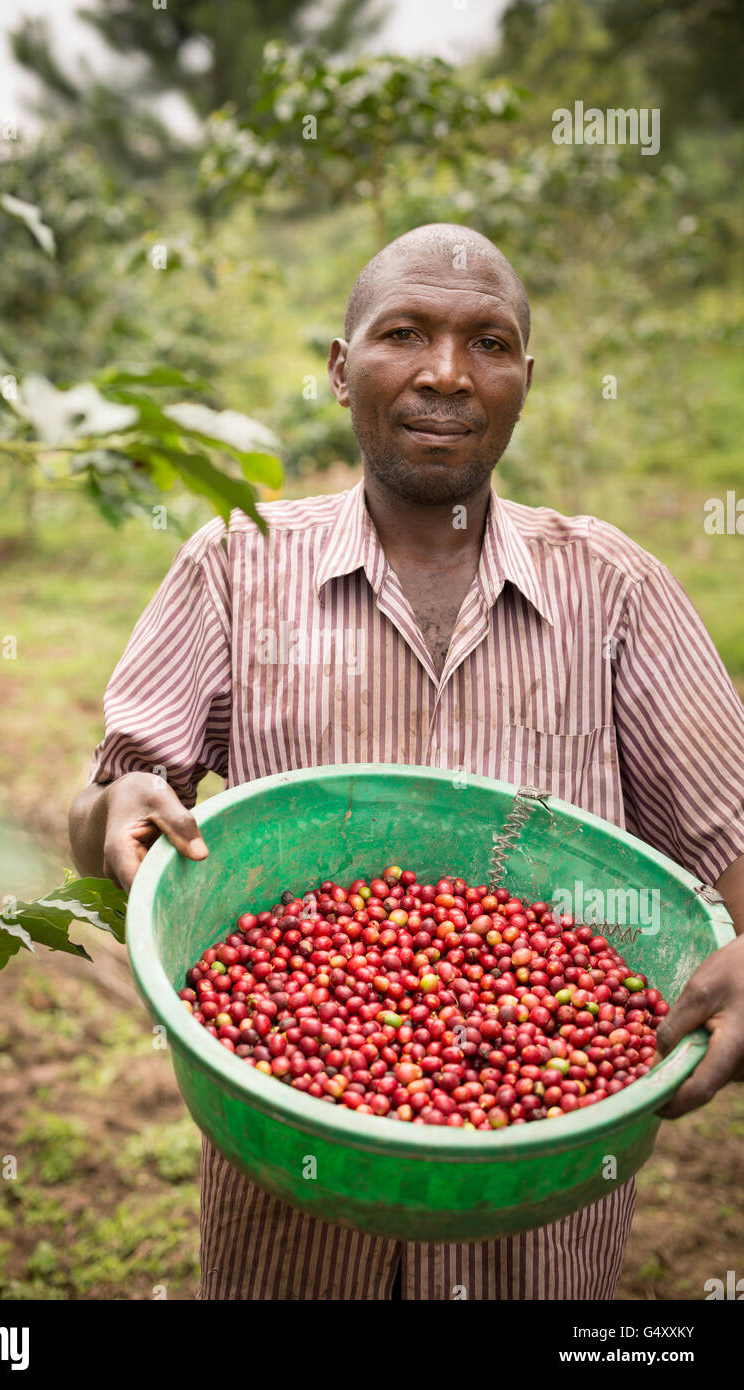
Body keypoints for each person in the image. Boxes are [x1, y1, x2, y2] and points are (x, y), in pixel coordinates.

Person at [69, 223, 744, 1300]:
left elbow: (729, 844)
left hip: (535, 1219)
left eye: (487, 341)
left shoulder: (616, 591)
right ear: (339, 371)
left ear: (525, 378)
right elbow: (111, 798)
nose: (444, 372)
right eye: (403, 334)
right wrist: (112, 806)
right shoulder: (232, 567)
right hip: (288, 1200)